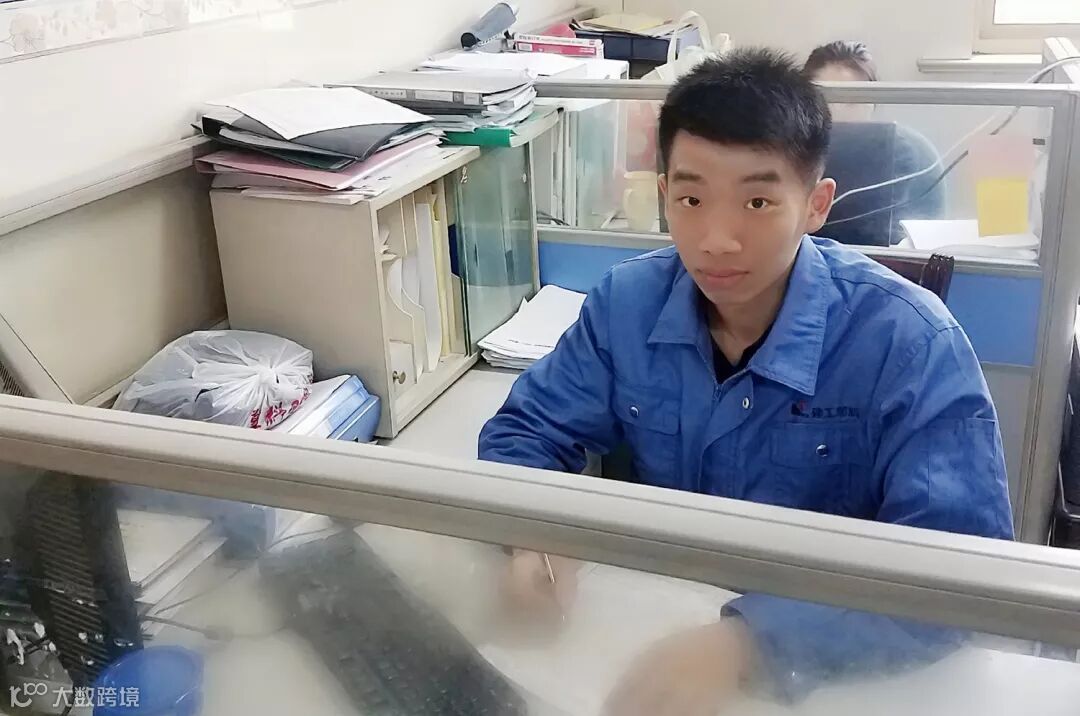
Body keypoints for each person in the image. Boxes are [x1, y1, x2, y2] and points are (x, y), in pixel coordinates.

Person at [479, 48, 1013, 714]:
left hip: (836, 676)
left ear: (816, 204)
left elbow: (960, 571)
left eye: (757, 201)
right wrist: (535, 540)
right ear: (664, 192)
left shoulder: (910, 341)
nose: (717, 239)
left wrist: (750, 642)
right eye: (691, 198)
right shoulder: (626, 305)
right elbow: (526, 432)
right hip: (648, 641)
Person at [804, 40, 947, 245]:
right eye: (828, 101)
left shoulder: (915, 155)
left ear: (872, 103)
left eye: (852, 102)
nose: (837, 113)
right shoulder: (790, 151)